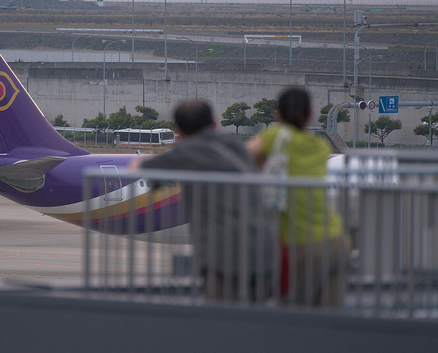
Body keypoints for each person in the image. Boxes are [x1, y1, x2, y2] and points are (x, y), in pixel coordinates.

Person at [130, 100, 276, 301]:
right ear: (215, 123)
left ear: (178, 131)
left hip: (224, 258)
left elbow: (142, 171)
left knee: (222, 319)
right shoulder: (236, 146)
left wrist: (138, 162)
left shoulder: (186, 153)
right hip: (265, 250)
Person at [246, 87, 349, 307]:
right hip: (336, 239)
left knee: (295, 319)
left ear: (277, 115)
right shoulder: (320, 146)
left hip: (301, 244)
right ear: (310, 114)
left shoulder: (275, 138)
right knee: (331, 319)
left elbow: (243, 156)